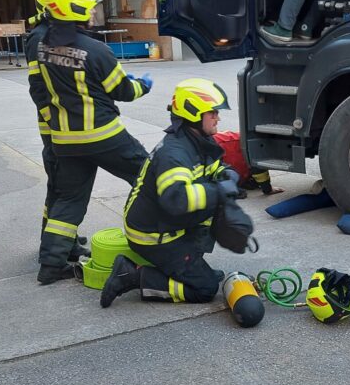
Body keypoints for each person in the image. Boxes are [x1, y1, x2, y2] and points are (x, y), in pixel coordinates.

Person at [28, 0, 152, 284]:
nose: (94, 13)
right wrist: (143, 85)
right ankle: (153, 240)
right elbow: (123, 90)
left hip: (65, 140)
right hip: (104, 135)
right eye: (90, 7)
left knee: (69, 200)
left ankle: (50, 266)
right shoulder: (97, 50)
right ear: (76, 9)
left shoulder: (41, 47)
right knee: (149, 174)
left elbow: (40, 88)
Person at [100, 78, 243, 309]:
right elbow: (177, 200)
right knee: (205, 288)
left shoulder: (196, 141)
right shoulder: (174, 154)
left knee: (220, 205)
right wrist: (219, 190)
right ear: (194, 114)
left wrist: (229, 175)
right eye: (213, 112)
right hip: (153, 235)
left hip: (165, 224)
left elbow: (212, 168)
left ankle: (191, 264)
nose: (218, 117)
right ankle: (131, 275)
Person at [25, 0, 90, 263]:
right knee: (61, 189)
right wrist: (56, 119)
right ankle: (57, 247)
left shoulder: (48, 33)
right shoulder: (41, 37)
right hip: (55, 129)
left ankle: (64, 239)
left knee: (62, 188)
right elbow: (38, 88)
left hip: (59, 126)